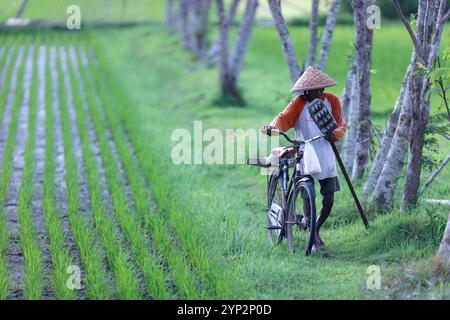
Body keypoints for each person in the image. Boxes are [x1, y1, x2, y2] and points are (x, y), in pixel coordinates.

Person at [262, 66, 346, 252]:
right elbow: (283, 119)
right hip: (305, 151)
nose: (320, 92)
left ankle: (315, 226)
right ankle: (313, 235)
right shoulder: (299, 103)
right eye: (316, 89)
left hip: (326, 151)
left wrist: (335, 134)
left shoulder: (332, 101)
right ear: (306, 91)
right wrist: (272, 127)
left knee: (329, 198)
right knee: (309, 193)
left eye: (322, 88)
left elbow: (341, 124)